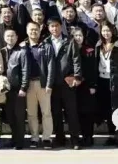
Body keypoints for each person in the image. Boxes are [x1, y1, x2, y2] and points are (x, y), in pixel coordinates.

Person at [46, 18, 82, 149]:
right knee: (55, 112)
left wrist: (77, 77)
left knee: (71, 112)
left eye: (56, 26)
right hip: (52, 83)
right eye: (52, 26)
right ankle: (59, 138)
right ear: (48, 28)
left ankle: (75, 139)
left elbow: (76, 59)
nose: (54, 28)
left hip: (68, 82)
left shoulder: (70, 41)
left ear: (61, 27)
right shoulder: (46, 42)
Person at [95, 22, 118, 147]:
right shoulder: (99, 44)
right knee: (107, 109)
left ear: (113, 31)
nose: (106, 33)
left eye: (108, 30)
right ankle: (111, 135)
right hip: (102, 80)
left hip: (116, 80)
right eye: (103, 31)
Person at [23, 21, 54, 148]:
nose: (33, 32)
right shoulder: (23, 47)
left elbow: (51, 66)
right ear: (27, 31)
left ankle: (46, 137)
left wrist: (49, 84)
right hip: (29, 84)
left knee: (46, 112)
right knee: (31, 113)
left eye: (36, 29)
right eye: (31, 29)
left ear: (40, 31)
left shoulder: (47, 46)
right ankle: (34, 137)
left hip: (43, 83)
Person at [72, 26, 98, 147]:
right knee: (77, 113)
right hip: (73, 85)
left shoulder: (89, 50)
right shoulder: (69, 49)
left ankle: (89, 136)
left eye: (80, 35)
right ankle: (81, 136)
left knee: (88, 112)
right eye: (76, 35)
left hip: (87, 86)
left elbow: (93, 69)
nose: (78, 38)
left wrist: (93, 85)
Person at [2, 28, 28, 149]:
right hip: (5, 89)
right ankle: (13, 138)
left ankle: (20, 141)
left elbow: (25, 70)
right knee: (10, 115)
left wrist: (23, 87)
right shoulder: (2, 51)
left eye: (12, 36)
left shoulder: (22, 52)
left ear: (17, 38)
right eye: (8, 36)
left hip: (18, 88)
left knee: (19, 116)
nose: (10, 38)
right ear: (4, 38)